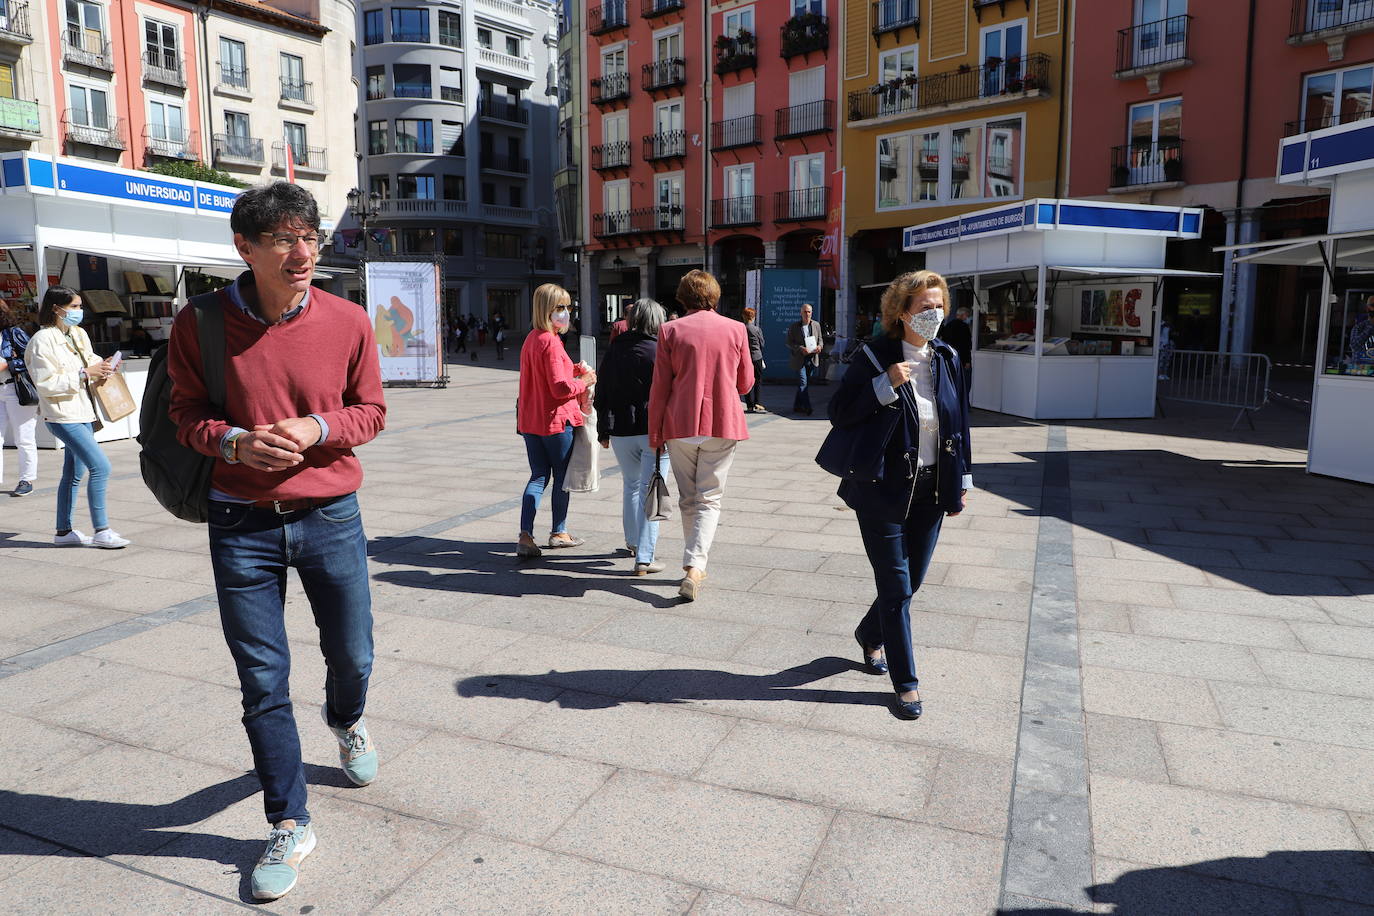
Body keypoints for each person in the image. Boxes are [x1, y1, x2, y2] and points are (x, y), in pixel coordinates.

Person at [167, 182, 387, 902]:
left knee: (352, 652)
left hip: (331, 515)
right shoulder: (198, 322)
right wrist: (231, 443)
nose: (302, 252)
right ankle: (289, 818)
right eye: (284, 239)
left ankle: (346, 720)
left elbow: (370, 411)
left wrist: (318, 428)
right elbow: (187, 414)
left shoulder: (350, 320)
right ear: (245, 248)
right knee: (262, 680)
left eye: (310, 237)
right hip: (241, 524)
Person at [826, 270, 971, 721]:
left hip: (931, 487)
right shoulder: (874, 356)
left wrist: (962, 477)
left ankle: (870, 634)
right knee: (896, 586)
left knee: (914, 582)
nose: (934, 314)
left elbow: (959, 420)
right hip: (882, 487)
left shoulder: (947, 356)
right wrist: (885, 383)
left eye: (939, 306)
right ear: (902, 312)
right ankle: (906, 685)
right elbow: (840, 413)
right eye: (925, 306)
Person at [648, 270, 754, 601]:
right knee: (710, 497)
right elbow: (746, 383)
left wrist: (655, 432)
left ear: (682, 297)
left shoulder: (669, 330)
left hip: (679, 423)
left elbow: (660, 386)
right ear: (715, 295)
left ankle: (693, 561)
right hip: (722, 422)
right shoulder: (736, 329)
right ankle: (695, 564)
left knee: (688, 497)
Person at [25, 288, 129, 547]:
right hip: (61, 415)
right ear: (56, 308)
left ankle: (63, 532)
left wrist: (104, 366)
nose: (78, 312)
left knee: (73, 473)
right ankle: (102, 530)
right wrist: (85, 373)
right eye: (73, 307)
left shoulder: (77, 334)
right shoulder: (41, 340)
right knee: (101, 467)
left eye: (79, 306)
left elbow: (90, 362)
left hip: (83, 411)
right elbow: (45, 383)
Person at [516, 283, 596, 558]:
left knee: (538, 476)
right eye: (559, 308)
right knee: (561, 477)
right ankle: (558, 532)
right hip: (555, 421)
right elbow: (559, 388)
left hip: (531, 420)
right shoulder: (550, 341)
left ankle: (525, 535)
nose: (566, 313)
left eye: (567, 307)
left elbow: (547, 374)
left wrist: (573, 368)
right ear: (546, 310)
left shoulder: (532, 338)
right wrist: (583, 381)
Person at [595, 297, 669, 575]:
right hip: (652, 430)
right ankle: (645, 557)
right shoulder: (658, 351)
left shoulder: (615, 349)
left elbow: (602, 391)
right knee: (652, 492)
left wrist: (603, 429)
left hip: (622, 430)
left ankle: (633, 542)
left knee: (632, 485)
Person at [0, 297, 39, 497]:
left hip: (15, 389)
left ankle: (27, 478)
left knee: (23, 437)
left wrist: (8, 364)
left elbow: (31, 359)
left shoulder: (13, 333)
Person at [786, 303, 824, 415]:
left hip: (812, 359)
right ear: (801, 313)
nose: (807, 314)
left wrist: (820, 347)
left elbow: (820, 339)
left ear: (811, 313)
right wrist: (800, 348)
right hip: (799, 359)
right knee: (803, 383)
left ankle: (797, 406)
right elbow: (788, 342)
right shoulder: (794, 326)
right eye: (805, 312)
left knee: (804, 384)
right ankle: (807, 407)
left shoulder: (816, 325)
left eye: (809, 312)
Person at [938, 305, 973, 394]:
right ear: (963, 315)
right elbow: (966, 345)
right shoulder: (964, 327)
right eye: (967, 315)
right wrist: (968, 361)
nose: (967, 317)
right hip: (961, 358)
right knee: (963, 384)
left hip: (949, 357)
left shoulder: (949, 325)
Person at [742, 306, 765, 413]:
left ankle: (749, 404)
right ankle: (757, 402)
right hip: (757, 357)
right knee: (757, 380)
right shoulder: (757, 329)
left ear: (744, 317)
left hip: (745, 358)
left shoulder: (741, 329)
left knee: (746, 381)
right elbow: (762, 344)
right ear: (754, 317)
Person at [1347, 295, 1374, 362]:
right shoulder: (1359, 327)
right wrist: (1371, 326)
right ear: (1367, 308)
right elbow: (1354, 345)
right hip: (1361, 368)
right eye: (1373, 305)